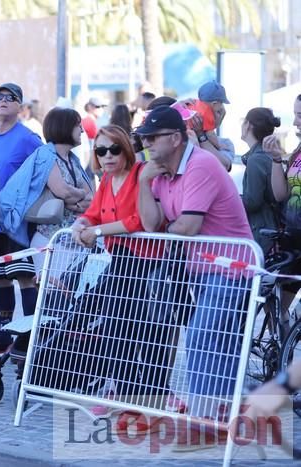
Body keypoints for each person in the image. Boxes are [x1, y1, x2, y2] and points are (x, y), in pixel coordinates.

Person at [136, 106, 254, 451]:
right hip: (201, 269)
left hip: (231, 267)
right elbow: (149, 223)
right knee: (221, 344)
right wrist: (144, 182)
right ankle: (224, 415)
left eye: (152, 137)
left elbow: (187, 226)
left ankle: (203, 421)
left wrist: (167, 231)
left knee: (203, 338)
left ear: (175, 138)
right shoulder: (159, 171)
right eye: (144, 137)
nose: (146, 143)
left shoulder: (201, 164)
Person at [71, 125, 162, 428]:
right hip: (119, 260)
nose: (107, 156)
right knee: (115, 328)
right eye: (101, 150)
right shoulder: (107, 179)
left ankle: (131, 395)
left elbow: (139, 221)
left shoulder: (140, 174)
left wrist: (95, 230)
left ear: (126, 148)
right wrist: (80, 224)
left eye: (114, 149)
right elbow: (94, 213)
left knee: (125, 329)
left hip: (143, 261)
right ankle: (121, 391)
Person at [0, 82, 42, 358]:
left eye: (10, 98)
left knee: (25, 279)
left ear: (20, 107)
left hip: (18, 226)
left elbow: (44, 170)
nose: (3, 101)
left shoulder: (28, 138)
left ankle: (29, 335)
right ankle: (4, 332)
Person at [28, 107, 94, 273]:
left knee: (67, 296)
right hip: (50, 241)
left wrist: (74, 202)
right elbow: (63, 191)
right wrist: (79, 196)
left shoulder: (73, 159)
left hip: (72, 242)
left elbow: (91, 197)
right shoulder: (46, 156)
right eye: (78, 125)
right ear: (64, 126)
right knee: (52, 296)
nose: (82, 130)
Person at [264, 94, 301, 318]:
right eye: (296, 114)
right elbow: (280, 194)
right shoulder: (298, 150)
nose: (296, 121)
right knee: (275, 308)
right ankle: (281, 352)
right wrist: (277, 160)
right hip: (293, 238)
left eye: (300, 115)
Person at [240, 107, 282, 254]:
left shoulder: (256, 159)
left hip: (262, 232)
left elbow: (252, 202)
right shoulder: (266, 155)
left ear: (248, 125)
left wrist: (228, 199)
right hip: (272, 229)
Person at [190, 81, 234, 171]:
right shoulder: (207, 114)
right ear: (214, 104)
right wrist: (219, 145)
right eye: (221, 104)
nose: (222, 108)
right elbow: (211, 135)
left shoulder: (194, 104)